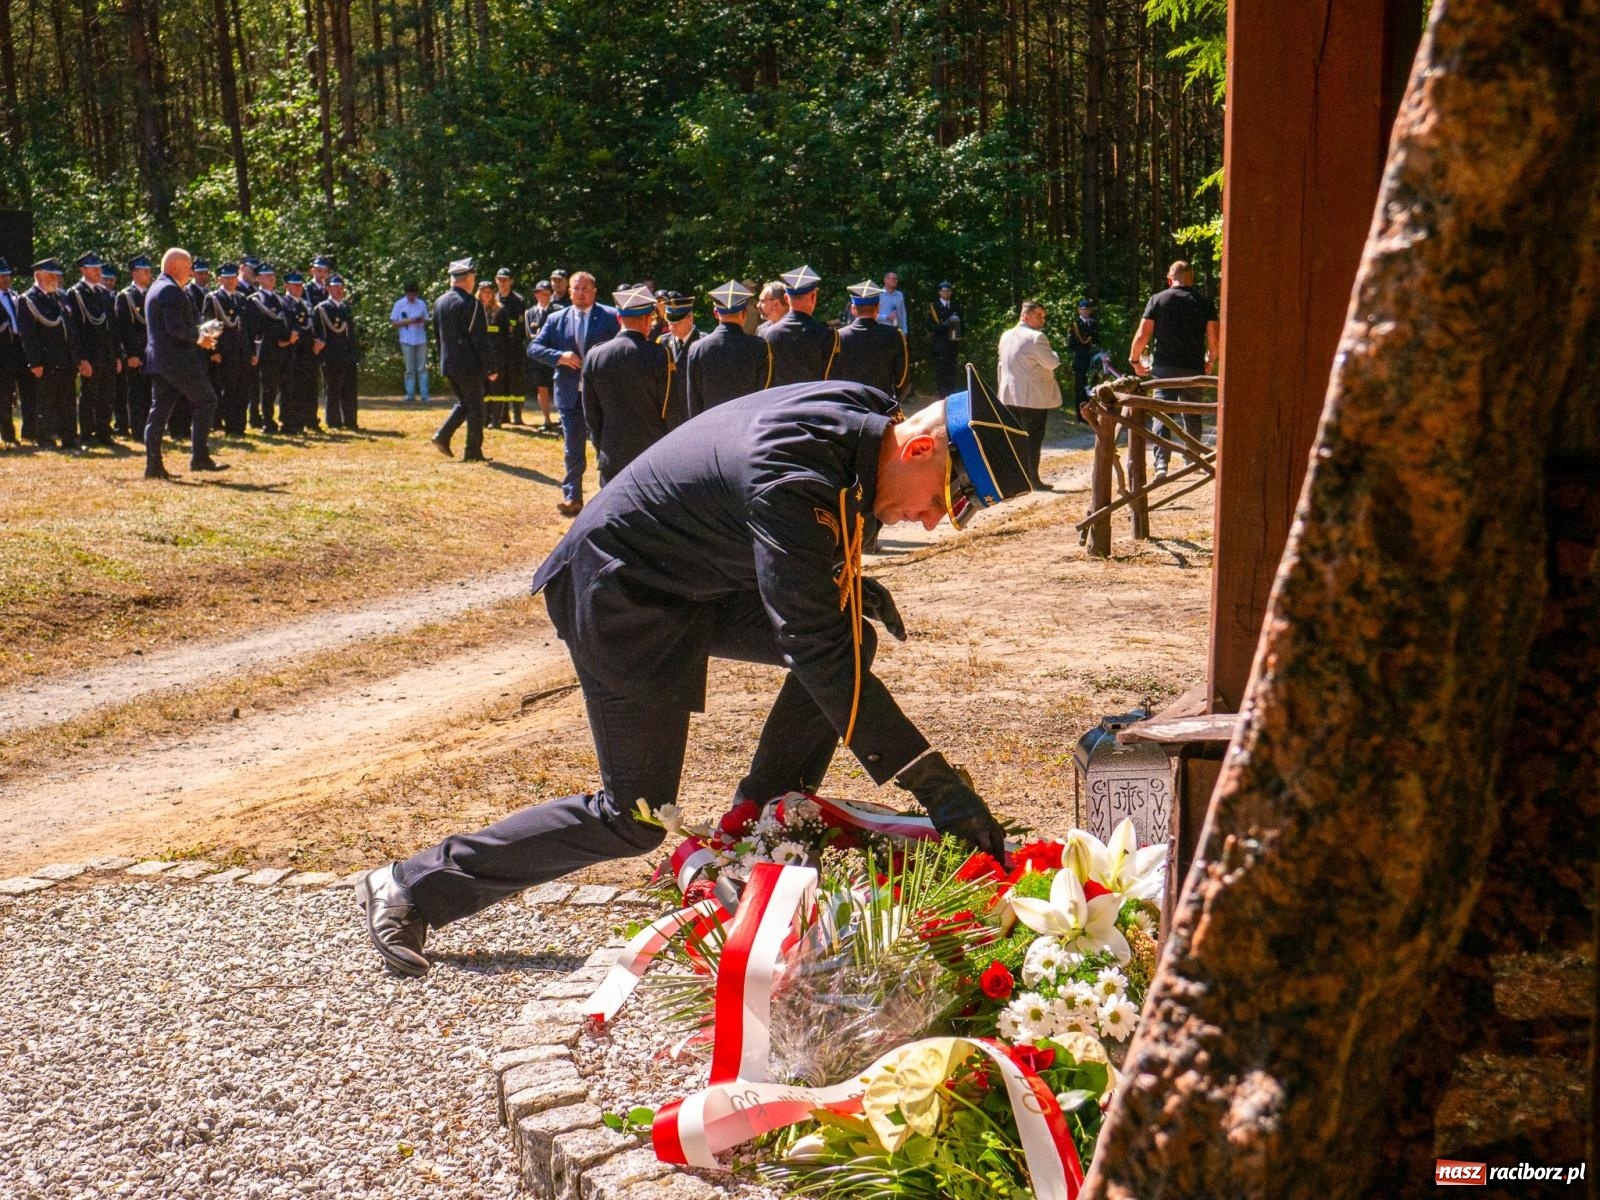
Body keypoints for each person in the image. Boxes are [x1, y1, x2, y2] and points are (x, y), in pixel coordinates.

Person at [354, 378, 1035, 977]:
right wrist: (933, 784)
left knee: (846, 634)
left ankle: (754, 830)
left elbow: (811, 557)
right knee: (635, 815)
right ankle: (410, 886)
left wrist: (844, 580)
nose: (935, 521)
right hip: (620, 596)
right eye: (950, 498)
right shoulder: (791, 474)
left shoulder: (860, 415)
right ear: (920, 449)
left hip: (686, 583)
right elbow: (810, 638)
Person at [528, 270, 620, 515]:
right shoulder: (557, 318)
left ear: (594, 291)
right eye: (576, 289)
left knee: (604, 445)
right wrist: (559, 357)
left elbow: (623, 347)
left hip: (601, 394)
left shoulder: (610, 317)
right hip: (569, 393)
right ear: (569, 292)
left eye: (585, 289)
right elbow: (534, 347)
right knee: (572, 447)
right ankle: (573, 497)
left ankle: (609, 496)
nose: (580, 294)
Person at [1129, 260, 1219, 478]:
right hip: (1193, 367)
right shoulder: (1203, 302)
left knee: (1162, 413)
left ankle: (1161, 463)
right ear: (1192, 279)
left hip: (1164, 367)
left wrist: (1134, 359)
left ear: (1170, 278)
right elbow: (1214, 338)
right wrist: (1211, 360)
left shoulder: (1157, 300)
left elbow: (1143, 334)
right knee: (1193, 413)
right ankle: (1193, 459)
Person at [142, 248, 226, 479]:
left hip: (160, 361)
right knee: (207, 401)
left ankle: (154, 466)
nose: (191, 271)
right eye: (188, 266)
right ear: (176, 265)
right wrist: (200, 338)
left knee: (158, 413)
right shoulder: (170, 290)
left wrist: (199, 332)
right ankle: (199, 458)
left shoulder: (157, 288)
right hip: (177, 362)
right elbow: (175, 328)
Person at [581, 284, 675, 486]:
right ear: (649, 319)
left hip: (611, 455)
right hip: (651, 456)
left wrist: (602, 448)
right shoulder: (660, 355)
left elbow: (591, 414)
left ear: (618, 319)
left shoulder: (595, 355)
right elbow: (668, 409)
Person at [430, 257, 498, 463]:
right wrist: (490, 367)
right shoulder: (471, 304)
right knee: (476, 407)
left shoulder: (439, 302)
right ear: (468, 279)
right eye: (473, 277)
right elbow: (479, 339)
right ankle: (471, 451)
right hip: (468, 365)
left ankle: (443, 435)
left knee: (466, 403)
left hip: (448, 363)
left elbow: (437, 336)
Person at [996, 299, 1062, 490]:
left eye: (1044, 316)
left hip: (1009, 395)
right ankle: (1032, 478)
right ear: (1025, 316)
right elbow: (1051, 363)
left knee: (1015, 437)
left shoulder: (1005, 335)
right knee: (1033, 437)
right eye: (1038, 315)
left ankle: (1014, 478)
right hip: (1032, 397)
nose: (1043, 320)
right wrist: (1056, 355)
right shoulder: (1036, 337)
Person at [17, 259, 82, 450]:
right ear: (38, 275)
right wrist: (35, 362)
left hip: (66, 360)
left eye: (55, 274)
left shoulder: (60, 297)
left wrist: (76, 357)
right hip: (46, 360)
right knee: (46, 402)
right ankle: (45, 438)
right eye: (49, 274)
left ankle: (69, 438)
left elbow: (71, 330)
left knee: (68, 401)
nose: (54, 278)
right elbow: (28, 335)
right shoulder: (29, 300)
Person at [684, 280, 772, 417]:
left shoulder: (697, 349)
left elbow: (694, 402)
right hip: (746, 426)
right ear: (744, 313)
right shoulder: (759, 347)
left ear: (715, 313)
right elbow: (765, 395)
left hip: (710, 428)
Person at [66, 253, 119, 445]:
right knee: (90, 395)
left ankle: (104, 431)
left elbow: (111, 327)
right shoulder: (76, 294)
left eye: (99, 268)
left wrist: (117, 356)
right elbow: (75, 330)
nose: (98, 272)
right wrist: (80, 358)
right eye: (94, 268)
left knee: (107, 394)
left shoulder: (103, 293)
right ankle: (87, 434)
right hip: (90, 353)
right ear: (83, 270)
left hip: (106, 353)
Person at [831, 280, 910, 402]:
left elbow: (831, 378)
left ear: (853, 309)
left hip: (849, 405)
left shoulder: (838, 337)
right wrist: (892, 403)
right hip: (881, 407)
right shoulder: (893, 335)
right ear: (878, 307)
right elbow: (902, 380)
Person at [761, 265, 837, 386]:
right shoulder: (828, 335)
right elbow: (832, 378)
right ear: (813, 297)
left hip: (780, 403)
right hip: (815, 401)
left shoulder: (767, 334)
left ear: (786, 298)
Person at [245, 264, 295, 433]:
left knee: (287, 387)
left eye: (273, 275)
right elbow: (259, 326)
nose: (271, 278)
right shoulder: (255, 300)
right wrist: (280, 338)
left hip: (285, 349)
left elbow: (289, 320)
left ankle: (287, 420)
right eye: (267, 276)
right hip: (268, 350)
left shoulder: (282, 299)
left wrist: (289, 338)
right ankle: (268, 421)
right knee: (268, 388)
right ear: (257, 278)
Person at [205, 263, 251, 436]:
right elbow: (207, 326)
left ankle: (240, 426)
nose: (231, 281)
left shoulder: (241, 298)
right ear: (219, 280)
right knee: (228, 390)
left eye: (233, 277)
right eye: (226, 278)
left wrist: (251, 352)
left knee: (243, 390)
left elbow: (248, 328)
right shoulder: (213, 299)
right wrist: (212, 351)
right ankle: (230, 426)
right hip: (224, 352)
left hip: (242, 351)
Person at [313, 274, 360, 430]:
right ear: (328, 288)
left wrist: (354, 354)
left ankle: (351, 421)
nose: (339, 290)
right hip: (332, 356)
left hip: (348, 356)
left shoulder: (345, 307)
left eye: (341, 287)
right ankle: (334, 422)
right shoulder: (322, 309)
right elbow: (320, 335)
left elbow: (350, 334)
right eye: (335, 287)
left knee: (350, 391)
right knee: (333, 390)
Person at [117, 257, 154, 442]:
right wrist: (130, 354)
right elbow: (124, 329)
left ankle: (150, 429)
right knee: (137, 393)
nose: (148, 274)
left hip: (150, 353)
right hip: (136, 353)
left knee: (150, 392)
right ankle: (138, 430)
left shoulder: (150, 294)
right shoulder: (126, 296)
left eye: (149, 271)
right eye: (144, 271)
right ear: (134, 273)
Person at [280, 271, 319, 435]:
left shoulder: (306, 304)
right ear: (286, 286)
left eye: (300, 285)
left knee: (306, 388)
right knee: (290, 389)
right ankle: (290, 423)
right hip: (292, 351)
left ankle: (305, 420)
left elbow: (312, 326)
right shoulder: (284, 303)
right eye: (295, 285)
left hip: (307, 352)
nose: (299, 288)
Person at [654, 290, 699, 425]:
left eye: (677, 323)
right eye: (670, 323)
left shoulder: (703, 343)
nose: (672, 328)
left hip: (695, 412)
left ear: (690, 318)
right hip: (670, 415)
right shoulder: (662, 342)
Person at [523, 279, 559, 433]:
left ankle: (562, 419)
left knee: (558, 387)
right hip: (538, 358)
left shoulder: (557, 310)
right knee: (542, 388)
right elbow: (529, 335)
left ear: (551, 295)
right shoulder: (529, 313)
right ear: (536, 294)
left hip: (554, 355)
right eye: (540, 293)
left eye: (547, 293)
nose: (543, 296)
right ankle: (546, 419)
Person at [494, 268, 529, 426]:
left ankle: (517, 413)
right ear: (496, 280)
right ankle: (503, 413)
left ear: (511, 281)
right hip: (499, 348)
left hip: (514, 347)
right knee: (501, 380)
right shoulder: (492, 299)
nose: (503, 282)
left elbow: (521, 325)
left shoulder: (518, 300)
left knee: (516, 380)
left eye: (505, 279)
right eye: (500, 279)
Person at [476, 280, 507, 428]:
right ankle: (484, 418)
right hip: (480, 354)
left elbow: (507, 335)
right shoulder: (475, 309)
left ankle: (496, 420)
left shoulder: (500, 310)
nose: (486, 294)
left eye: (489, 291)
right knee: (483, 388)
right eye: (483, 291)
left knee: (496, 388)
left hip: (497, 355)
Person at [926, 281, 964, 397]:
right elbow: (929, 325)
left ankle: (951, 395)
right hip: (940, 343)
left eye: (948, 291)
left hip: (952, 343)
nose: (946, 293)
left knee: (952, 371)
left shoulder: (955, 306)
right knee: (941, 371)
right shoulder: (934, 307)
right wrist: (943, 326)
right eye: (944, 291)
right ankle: (942, 396)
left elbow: (962, 324)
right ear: (939, 293)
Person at [1067, 298, 1101, 421]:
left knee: (1092, 387)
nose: (1085, 311)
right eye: (1082, 309)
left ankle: (1091, 414)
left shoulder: (1093, 323)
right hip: (1080, 360)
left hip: (1092, 360)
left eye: (1087, 309)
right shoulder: (1075, 324)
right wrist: (1083, 350)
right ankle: (1081, 416)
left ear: (1090, 311)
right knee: (1081, 388)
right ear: (1079, 310)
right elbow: (1071, 344)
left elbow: (1097, 340)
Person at [0, 259, 20, 446]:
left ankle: (9, 435)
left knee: (7, 396)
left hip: (14, 354)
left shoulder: (15, 296)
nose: (6, 279)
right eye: (2, 275)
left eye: (7, 275)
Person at [877, 270, 908, 337]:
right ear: (886, 280)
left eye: (897, 279)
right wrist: (886, 317)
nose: (896, 281)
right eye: (894, 279)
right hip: (881, 329)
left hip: (896, 330)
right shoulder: (878, 295)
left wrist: (904, 330)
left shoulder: (899, 295)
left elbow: (903, 313)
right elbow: (873, 315)